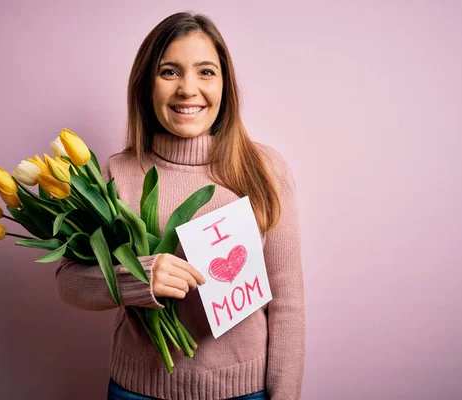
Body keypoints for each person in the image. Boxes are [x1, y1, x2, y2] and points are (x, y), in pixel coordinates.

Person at [55, 11, 305, 400]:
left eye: (206, 72)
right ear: (145, 85)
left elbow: (288, 301)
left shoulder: (264, 169)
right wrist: (138, 280)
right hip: (138, 391)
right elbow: (68, 283)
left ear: (225, 85)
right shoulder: (118, 172)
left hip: (242, 392)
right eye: (169, 72)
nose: (188, 89)